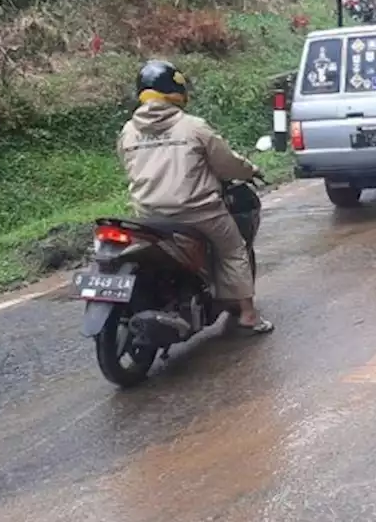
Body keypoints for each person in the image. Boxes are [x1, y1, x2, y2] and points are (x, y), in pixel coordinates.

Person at [117, 61, 274, 334]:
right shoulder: (193, 127)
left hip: (148, 217)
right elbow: (226, 164)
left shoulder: (129, 130)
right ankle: (248, 315)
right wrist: (252, 170)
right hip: (198, 213)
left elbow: (127, 164)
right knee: (233, 249)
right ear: (176, 91)